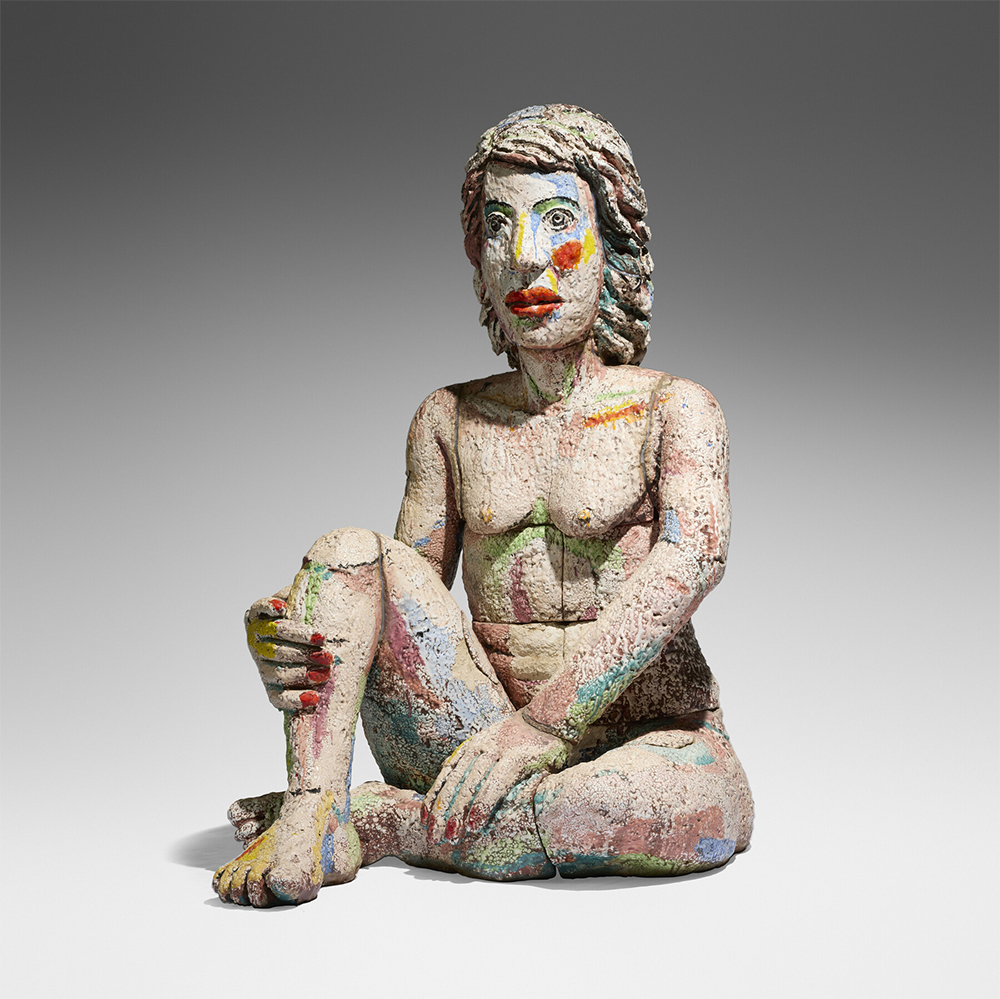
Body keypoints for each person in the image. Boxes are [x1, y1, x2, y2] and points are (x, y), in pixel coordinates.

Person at [214, 105, 753, 907]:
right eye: (499, 227)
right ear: (478, 259)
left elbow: (693, 558)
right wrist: (300, 636)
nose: (525, 256)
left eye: (557, 221)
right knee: (344, 548)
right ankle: (314, 808)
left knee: (643, 812)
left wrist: (546, 725)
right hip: (480, 734)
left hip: (651, 742)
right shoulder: (449, 419)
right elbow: (396, 598)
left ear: (615, 246)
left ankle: (390, 820)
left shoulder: (674, 410)